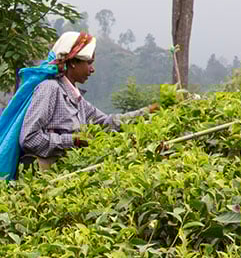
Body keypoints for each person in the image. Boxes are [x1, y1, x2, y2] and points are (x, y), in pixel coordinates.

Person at [19, 31, 153, 170]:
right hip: (44, 178)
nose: (92, 69)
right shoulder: (50, 89)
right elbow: (29, 138)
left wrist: (148, 112)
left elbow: (106, 123)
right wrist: (72, 141)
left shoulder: (76, 99)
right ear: (73, 63)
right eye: (88, 63)